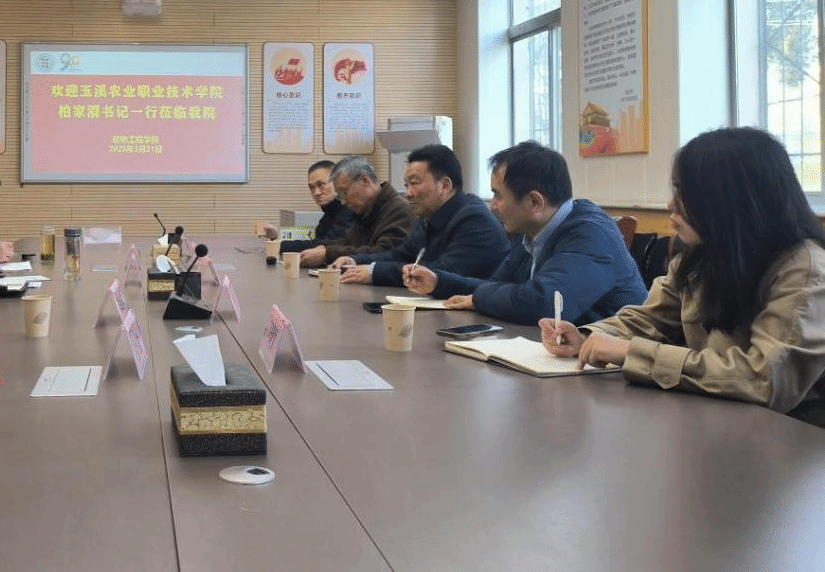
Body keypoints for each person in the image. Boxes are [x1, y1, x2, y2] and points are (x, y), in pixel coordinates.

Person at [541, 127, 825, 423]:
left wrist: (633, 353)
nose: (670, 204)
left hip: (791, 438)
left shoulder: (805, 271)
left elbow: (764, 380)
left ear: (733, 200)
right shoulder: (701, 254)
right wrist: (587, 336)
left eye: (687, 194)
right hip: (716, 423)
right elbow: (649, 319)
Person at [404, 141, 645, 324]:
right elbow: (495, 286)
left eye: (498, 195)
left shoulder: (592, 234)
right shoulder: (529, 230)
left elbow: (544, 302)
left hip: (610, 366)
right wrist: (439, 281)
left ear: (534, 202)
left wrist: (478, 299)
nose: (492, 206)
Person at [333, 144, 508, 285]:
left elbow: (439, 273)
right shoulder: (427, 217)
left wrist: (374, 272)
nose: (408, 193)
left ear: (444, 186)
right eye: (406, 185)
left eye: (414, 183)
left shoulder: (474, 220)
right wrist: (355, 260)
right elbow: (400, 255)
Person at [299, 156, 414, 268]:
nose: (343, 202)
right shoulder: (366, 210)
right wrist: (324, 248)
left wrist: (327, 255)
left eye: (344, 193)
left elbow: (386, 253)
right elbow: (349, 242)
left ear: (365, 180)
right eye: (340, 196)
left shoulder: (399, 210)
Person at [265, 160, 356, 254]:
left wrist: (278, 244)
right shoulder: (330, 211)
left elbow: (322, 245)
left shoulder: (348, 211)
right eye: (312, 187)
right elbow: (315, 241)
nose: (316, 192)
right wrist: (278, 236)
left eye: (321, 185)